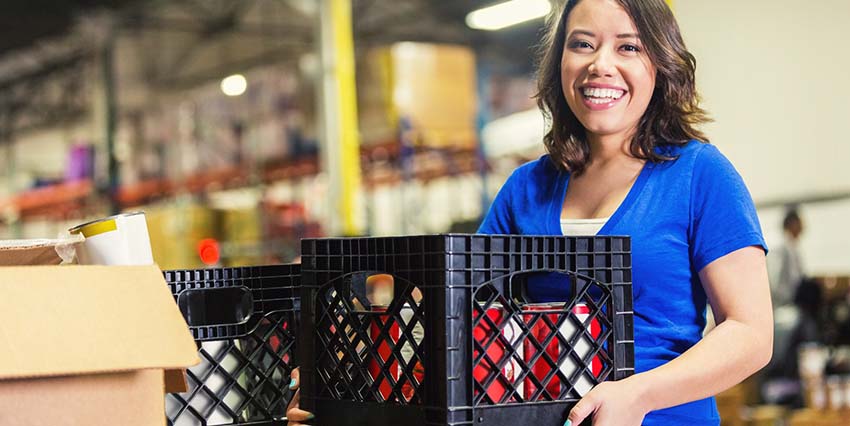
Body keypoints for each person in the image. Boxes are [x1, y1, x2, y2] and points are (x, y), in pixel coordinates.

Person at [477, 0, 772, 425]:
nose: (600, 65)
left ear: (660, 61)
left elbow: (751, 334)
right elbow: (471, 310)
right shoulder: (525, 189)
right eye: (582, 44)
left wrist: (638, 396)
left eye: (628, 47)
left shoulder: (698, 175)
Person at [768, 209, 805, 308]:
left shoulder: (789, 245)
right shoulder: (779, 244)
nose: (803, 229)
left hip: (788, 301)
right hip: (781, 304)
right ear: (793, 224)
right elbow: (774, 278)